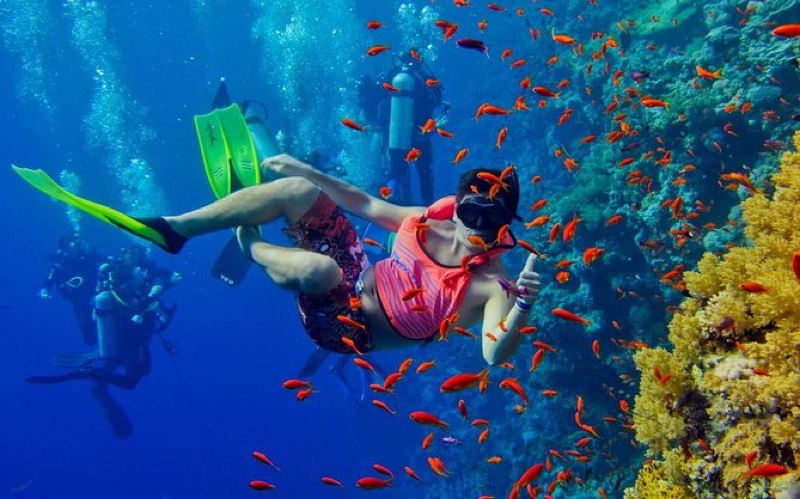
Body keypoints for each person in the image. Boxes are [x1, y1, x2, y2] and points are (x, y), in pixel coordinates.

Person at [14, 156, 540, 365]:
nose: (476, 229)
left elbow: (495, 355)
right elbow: (368, 205)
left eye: (492, 221)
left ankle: (250, 246)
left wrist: (521, 310)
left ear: (506, 226)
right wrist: (304, 171)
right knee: (294, 189)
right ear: (460, 204)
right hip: (357, 268)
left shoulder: (492, 286)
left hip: (346, 326)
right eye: (472, 211)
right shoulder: (434, 216)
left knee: (319, 271)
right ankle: (174, 229)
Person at [26, 244, 181, 437]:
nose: (131, 256)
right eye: (129, 252)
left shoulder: (140, 271)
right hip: (132, 337)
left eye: (135, 252)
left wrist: (164, 284)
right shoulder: (117, 273)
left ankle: (97, 379)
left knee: (131, 371)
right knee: (130, 381)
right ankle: (92, 375)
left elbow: (170, 279)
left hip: (126, 336)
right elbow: (139, 292)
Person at [358, 53, 449, 204]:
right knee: (425, 172)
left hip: (393, 134)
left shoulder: (392, 76)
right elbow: (432, 103)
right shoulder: (422, 77)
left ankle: (389, 202)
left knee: (396, 172)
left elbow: (380, 106)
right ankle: (429, 209)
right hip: (420, 135)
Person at [39, 234, 102, 345]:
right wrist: (45, 290)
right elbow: (49, 279)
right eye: (75, 244)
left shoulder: (86, 256)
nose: (78, 247)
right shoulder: (58, 264)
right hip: (78, 300)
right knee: (89, 335)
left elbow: (103, 259)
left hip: (96, 294)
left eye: (79, 244)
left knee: (106, 318)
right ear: (66, 247)